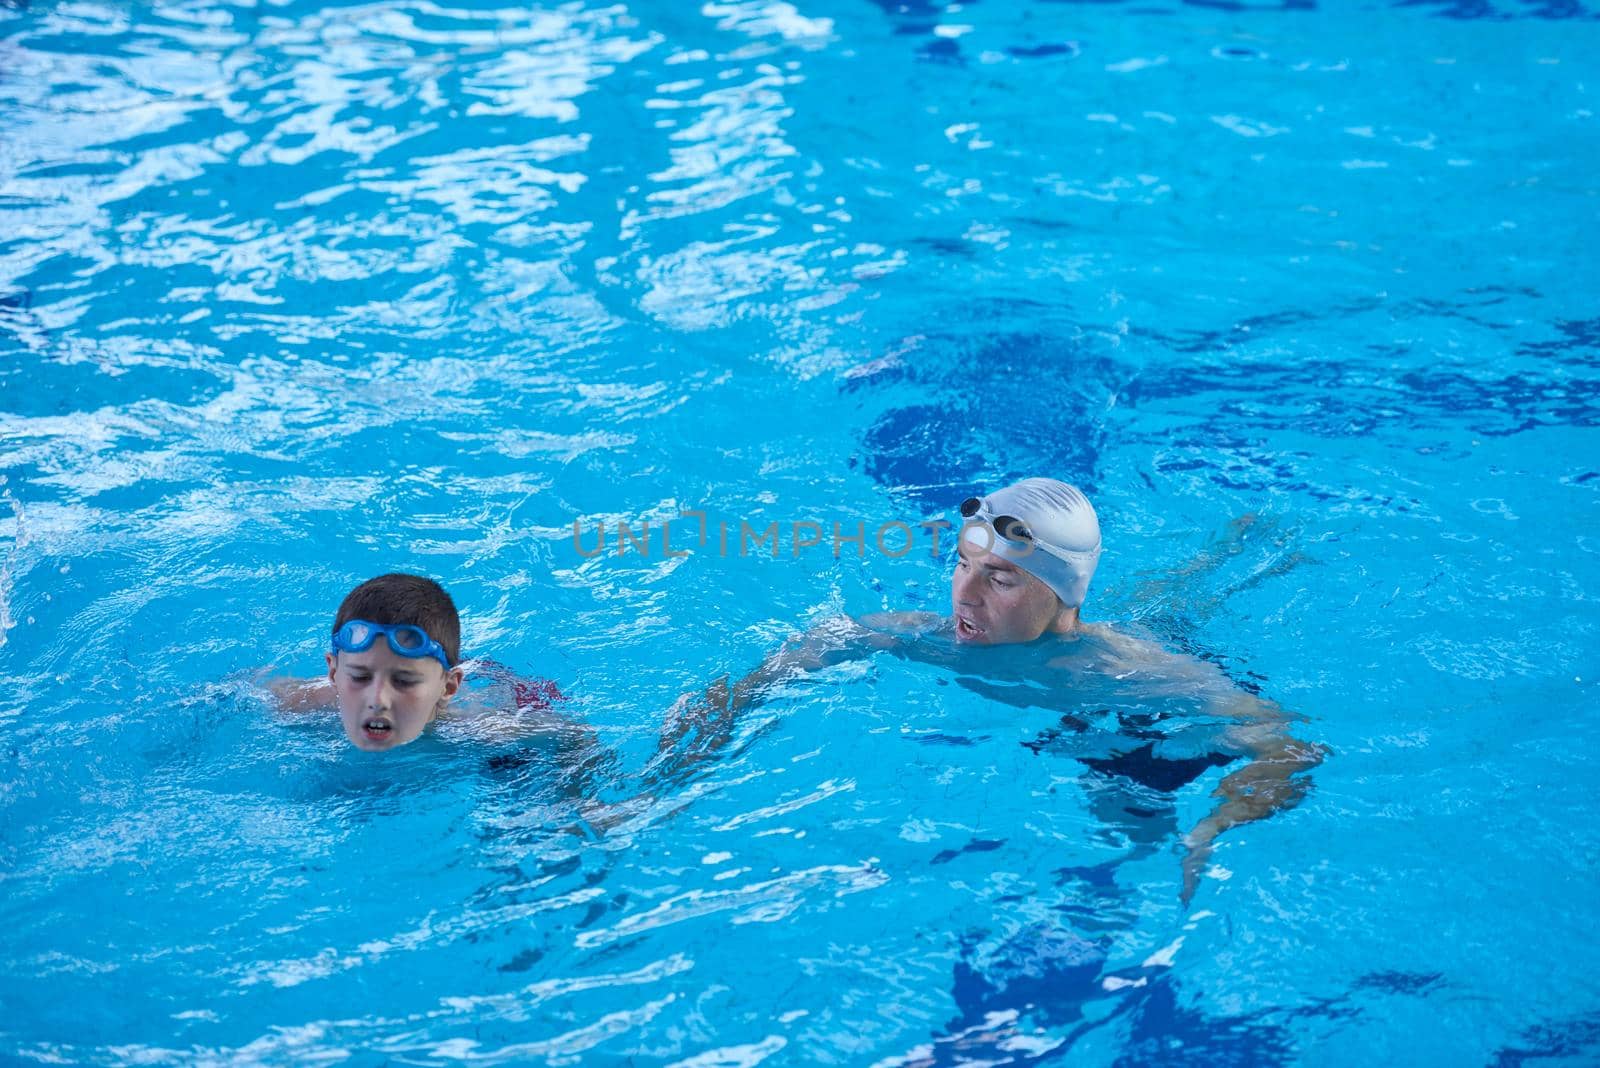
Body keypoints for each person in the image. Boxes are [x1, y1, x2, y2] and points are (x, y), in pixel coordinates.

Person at [655, 478, 1325, 903]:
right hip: (1069, 702)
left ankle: (1247, 549)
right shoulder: (938, 636)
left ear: (1060, 596)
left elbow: (1289, 745)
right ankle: (1221, 555)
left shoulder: (1138, 670)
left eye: (999, 580)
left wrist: (1214, 824)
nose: (964, 595)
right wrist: (726, 705)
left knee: (1131, 836)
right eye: (963, 564)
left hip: (1132, 723)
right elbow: (819, 643)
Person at [270, 572, 578, 754]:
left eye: (403, 681)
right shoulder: (300, 703)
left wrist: (585, 801)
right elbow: (241, 691)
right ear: (333, 672)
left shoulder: (478, 728)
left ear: (449, 687)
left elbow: (571, 734)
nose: (377, 700)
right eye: (360, 677)